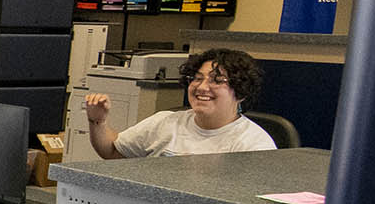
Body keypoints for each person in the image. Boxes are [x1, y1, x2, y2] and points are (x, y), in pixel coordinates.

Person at [84, 47, 277, 158]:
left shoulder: (254, 144)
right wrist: (98, 122)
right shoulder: (166, 122)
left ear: (241, 91)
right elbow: (112, 151)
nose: (202, 87)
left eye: (216, 81)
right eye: (197, 78)